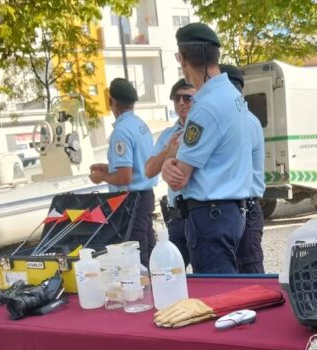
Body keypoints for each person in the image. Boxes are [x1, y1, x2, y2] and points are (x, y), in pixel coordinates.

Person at [161, 23, 252, 274]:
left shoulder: (206, 106)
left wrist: (168, 163)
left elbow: (179, 178)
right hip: (228, 212)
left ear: (182, 59)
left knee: (217, 291)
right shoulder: (230, 94)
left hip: (210, 216)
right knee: (226, 286)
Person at [90, 78, 156, 266]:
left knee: (136, 260)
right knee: (149, 253)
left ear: (111, 101)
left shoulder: (121, 131)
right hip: (145, 197)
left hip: (130, 203)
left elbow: (124, 177)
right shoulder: (140, 125)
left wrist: (101, 176)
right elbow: (136, 165)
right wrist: (108, 168)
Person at [220, 64, 266, 274]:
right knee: (240, 272)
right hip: (241, 208)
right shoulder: (243, 119)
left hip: (245, 207)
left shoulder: (243, 122)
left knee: (250, 274)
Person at [145, 79, 195, 268]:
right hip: (176, 216)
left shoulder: (204, 130)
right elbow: (149, 171)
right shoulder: (168, 134)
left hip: (199, 212)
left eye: (187, 98)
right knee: (171, 272)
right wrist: (168, 151)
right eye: (176, 98)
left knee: (205, 272)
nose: (181, 103)